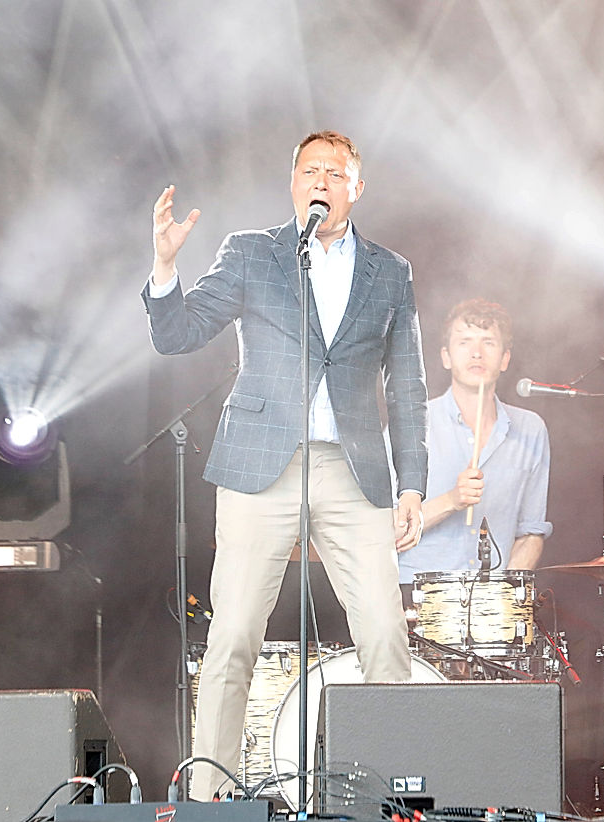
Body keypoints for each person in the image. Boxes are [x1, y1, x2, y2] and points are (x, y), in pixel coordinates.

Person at [143, 130, 425, 801]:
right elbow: (178, 334)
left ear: (357, 187)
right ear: (293, 182)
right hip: (260, 464)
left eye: (335, 171)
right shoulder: (251, 252)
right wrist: (163, 269)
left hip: (351, 468)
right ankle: (208, 796)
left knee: (385, 635)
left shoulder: (391, 270)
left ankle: (391, 798)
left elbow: (408, 383)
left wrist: (412, 481)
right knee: (234, 632)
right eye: (309, 169)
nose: (320, 179)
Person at [397, 298, 551, 589]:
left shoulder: (531, 430)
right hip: (417, 597)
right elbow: (382, 532)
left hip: (494, 607)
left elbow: (531, 533)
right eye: (465, 341)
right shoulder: (411, 423)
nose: (477, 353)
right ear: (446, 356)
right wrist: (452, 500)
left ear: (505, 359)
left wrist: (504, 596)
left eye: (489, 343)